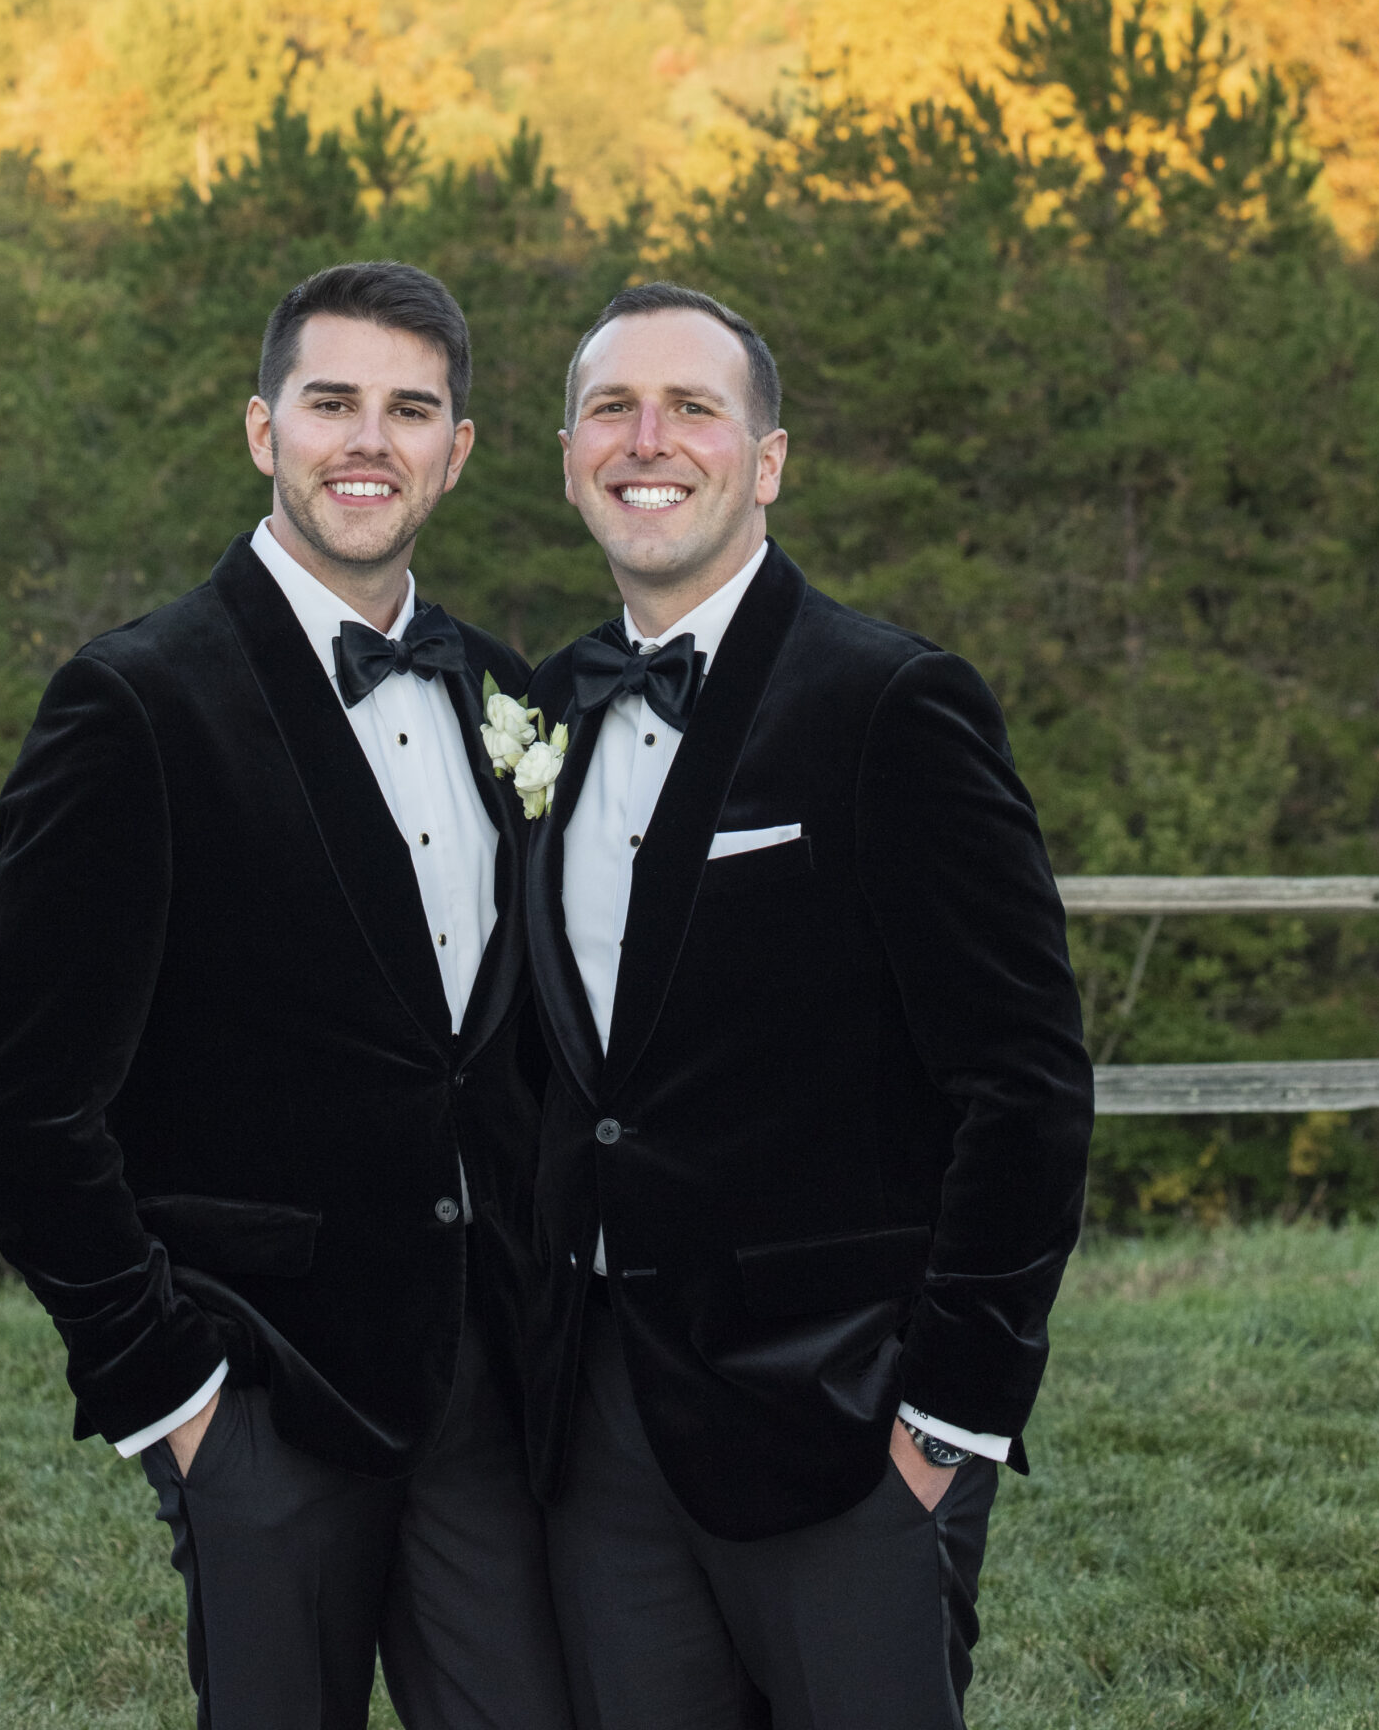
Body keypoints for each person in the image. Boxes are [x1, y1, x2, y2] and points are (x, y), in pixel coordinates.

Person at [0, 260, 574, 1730]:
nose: (370, 440)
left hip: (483, 1372)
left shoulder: (502, 689)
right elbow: (22, 1100)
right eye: (332, 402)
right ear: (260, 431)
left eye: (410, 410)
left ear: (459, 452)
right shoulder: (136, 704)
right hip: (259, 1384)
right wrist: (170, 1392)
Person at [514, 282, 1093, 1730]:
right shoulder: (546, 713)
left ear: (766, 460)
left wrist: (951, 1411)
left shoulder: (891, 703)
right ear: (569, 453)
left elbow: (1023, 1081)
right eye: (612, 409)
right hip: (599, 1428)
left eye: (694, 408)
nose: (650, 440)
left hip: (844, 1422)